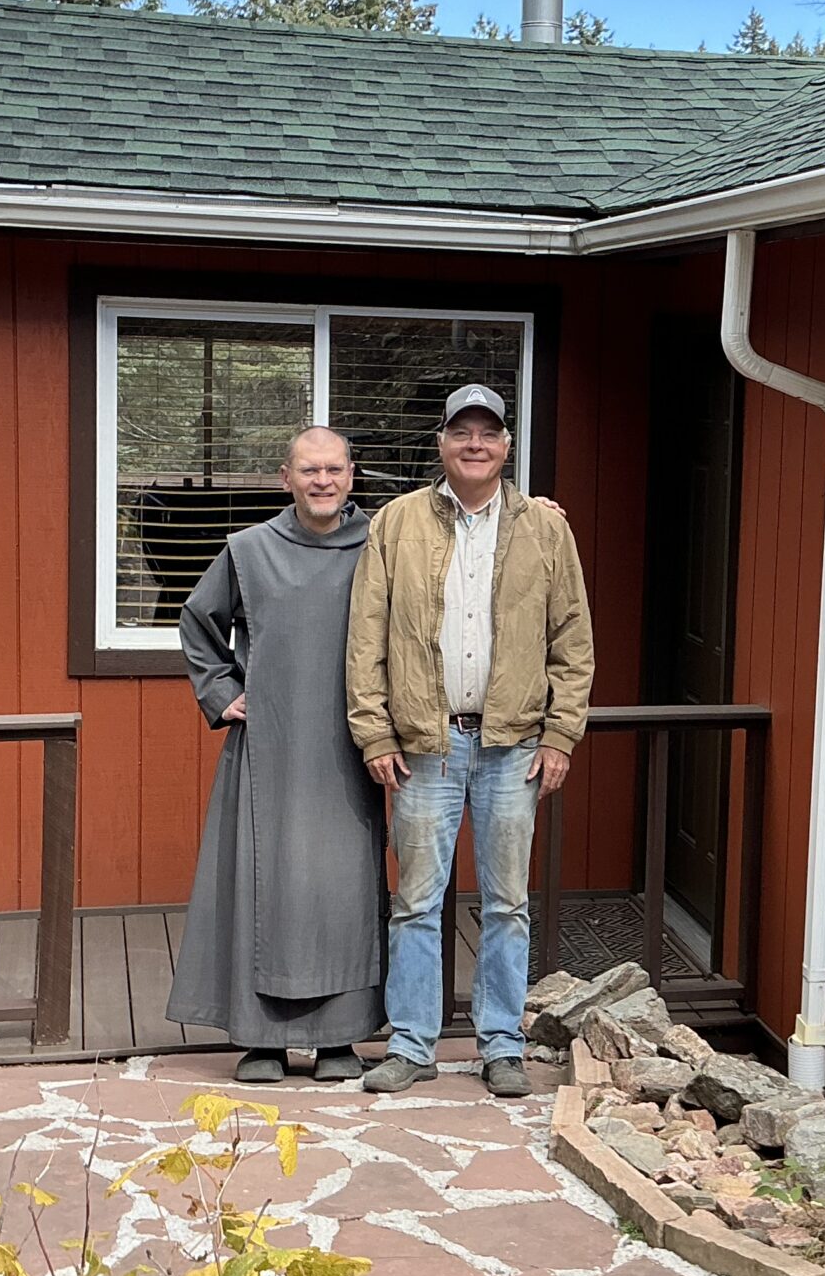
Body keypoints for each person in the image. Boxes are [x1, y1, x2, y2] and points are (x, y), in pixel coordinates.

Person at [347, 384, 595, 1097]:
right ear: (442, 444)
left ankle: (500, 1044)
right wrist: (374, 731)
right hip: (426, 745)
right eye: (463, 432)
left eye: (489, 433)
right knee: (417, 901)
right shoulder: (396, 524)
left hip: (513, 746)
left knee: (507, 903)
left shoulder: (546, 530)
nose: (476, 444)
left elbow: (571, 642)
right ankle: (414, 1043)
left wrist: (560, 734)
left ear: (507, 447)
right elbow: (366, 637)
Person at [167, 426, 385, 1082]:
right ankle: (260, 1040)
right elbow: (198, 622)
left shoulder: (382, 546)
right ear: (285, 477)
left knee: (342, 895)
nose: (323, 481)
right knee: (259, 887)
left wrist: (534, 509)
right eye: (309, 470)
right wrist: (221, 690)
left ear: (352, 475)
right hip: (266, 751)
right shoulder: (248, 550)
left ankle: (341, 1039)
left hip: (350, 750)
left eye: (335, 469)